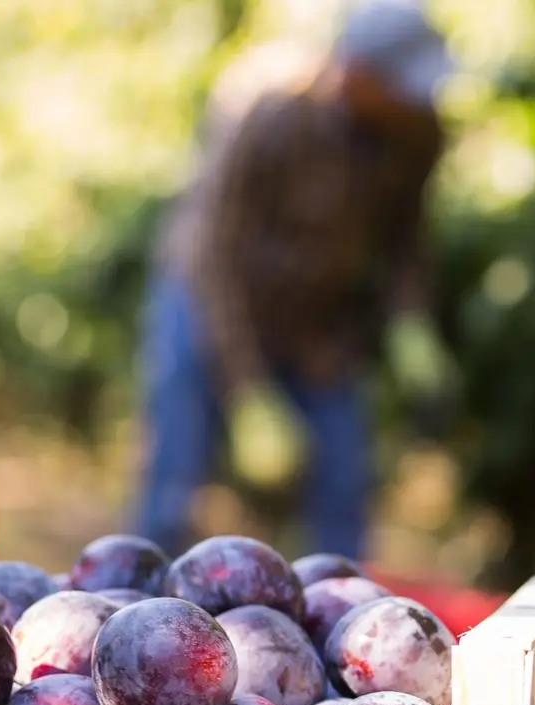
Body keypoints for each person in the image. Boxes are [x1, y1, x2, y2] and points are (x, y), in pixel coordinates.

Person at [136, 0, 451, 560]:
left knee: (344, 480)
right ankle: (133, 621)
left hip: (317, 318)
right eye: (401, 84)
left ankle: (347, 620)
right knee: (175, 479)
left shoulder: (415, 131)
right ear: (357, 72)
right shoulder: (271, 111)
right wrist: (248, 388)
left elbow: (407, 238)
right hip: (210, 298)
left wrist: (409, 321)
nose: (416, 98)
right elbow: (216, 256)